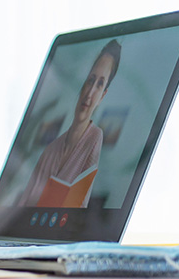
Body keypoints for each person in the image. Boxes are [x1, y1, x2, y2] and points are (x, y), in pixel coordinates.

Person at [16, 39, 121, 207]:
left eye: (100, 84)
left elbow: (80, 207)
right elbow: (23, 206)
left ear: (103, 96)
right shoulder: (50, 151)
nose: (90, 93)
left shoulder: (95, 137)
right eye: (90, 80)